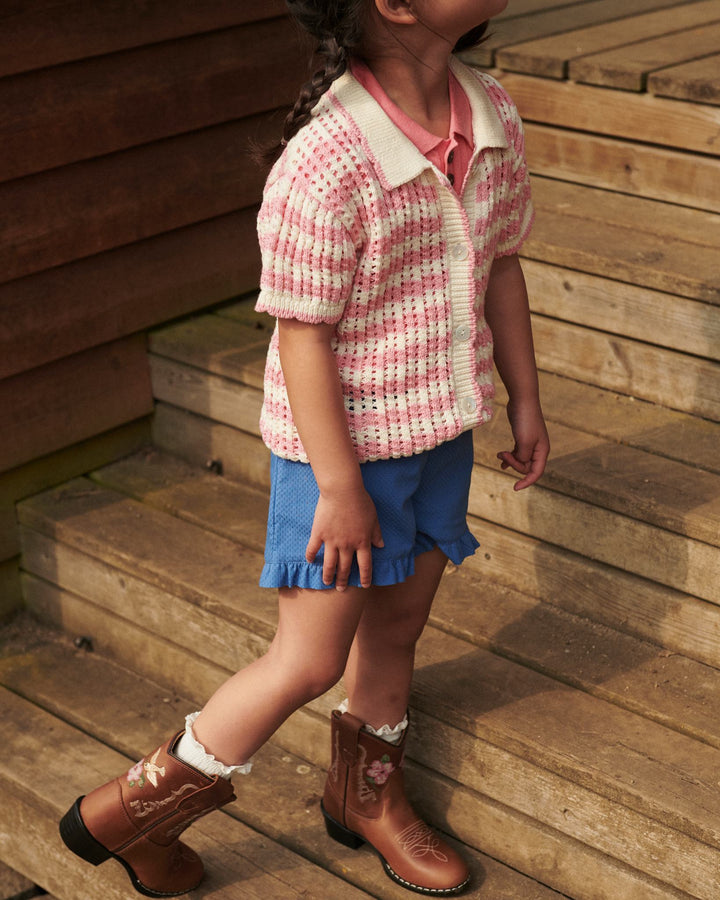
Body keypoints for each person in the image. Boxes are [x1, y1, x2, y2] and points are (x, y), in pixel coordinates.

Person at [58, 0, 550, 895]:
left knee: (397, 628)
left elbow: (502, 263)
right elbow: (302, 333)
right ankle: (133, 814)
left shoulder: (492, 117)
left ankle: (366, 796)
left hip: (442, 434)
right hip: (341, 461)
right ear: (394, 5)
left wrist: (526, 398)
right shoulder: (328, 161)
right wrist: (339, 486)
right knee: (310, 659)